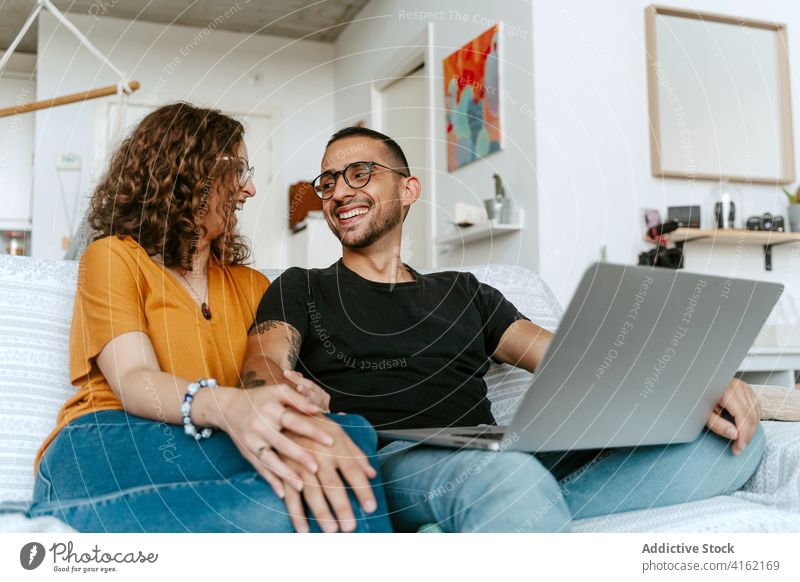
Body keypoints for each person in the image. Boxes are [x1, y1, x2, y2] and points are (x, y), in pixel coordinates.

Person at [240, 126, 766, 533]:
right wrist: (273, 393)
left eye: (358, 173)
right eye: (327, 183)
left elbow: (571, 358)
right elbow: (263, 362)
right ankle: (507, 507)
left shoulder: (464, 291)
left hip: (500, 449)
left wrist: (697, 380)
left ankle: (506, 517)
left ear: (408, 189)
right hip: (396, 456)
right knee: (508, 480)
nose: (337, 192)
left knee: (736, 442)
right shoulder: (301, 286)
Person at [28, 104, 391, 533]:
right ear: (188, 171)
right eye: (238, 170)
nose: (251, 188)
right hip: (104, 440)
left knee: (344, 439)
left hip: (205, 444)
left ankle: (81, 525)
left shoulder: (253, 286)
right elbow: (134, 378)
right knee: (335, 450)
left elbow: (268, 377)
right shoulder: (113, 257)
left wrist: (297, 400)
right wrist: (233, 406)